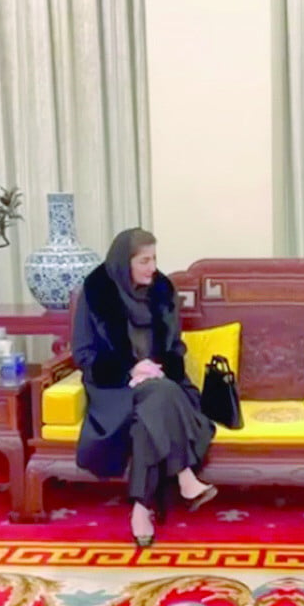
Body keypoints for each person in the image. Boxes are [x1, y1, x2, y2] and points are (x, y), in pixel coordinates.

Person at [73, 227, 217, 546]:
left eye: (154, 259)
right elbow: (83, 354)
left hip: (160, 382)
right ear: (125, 264)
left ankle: (140, 507)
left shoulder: (162, 290)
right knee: (160, 397)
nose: (152, 267)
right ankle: (184, 475)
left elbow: (174, 346)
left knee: (150, 413)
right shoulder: (97, 292)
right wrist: (130, 369)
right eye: (144, 261)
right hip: (114, 389)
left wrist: (158, 368)